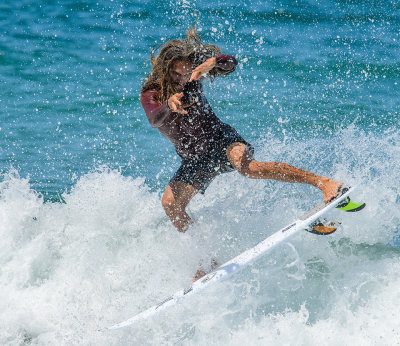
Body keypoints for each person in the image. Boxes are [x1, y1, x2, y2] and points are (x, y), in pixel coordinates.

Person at [140, 27, 341, 234]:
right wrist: (169, 105)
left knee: (247, 168)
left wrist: (214, 62)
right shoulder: (151, 94)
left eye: (186, 73)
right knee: (170, 204)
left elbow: (231, 63)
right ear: (165, 69)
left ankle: (324, 183)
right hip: (195, 159)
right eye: (176, 74)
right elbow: (154, 119)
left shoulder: (193, 78)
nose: (182, 80)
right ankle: (206, 260)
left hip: (222, 140)